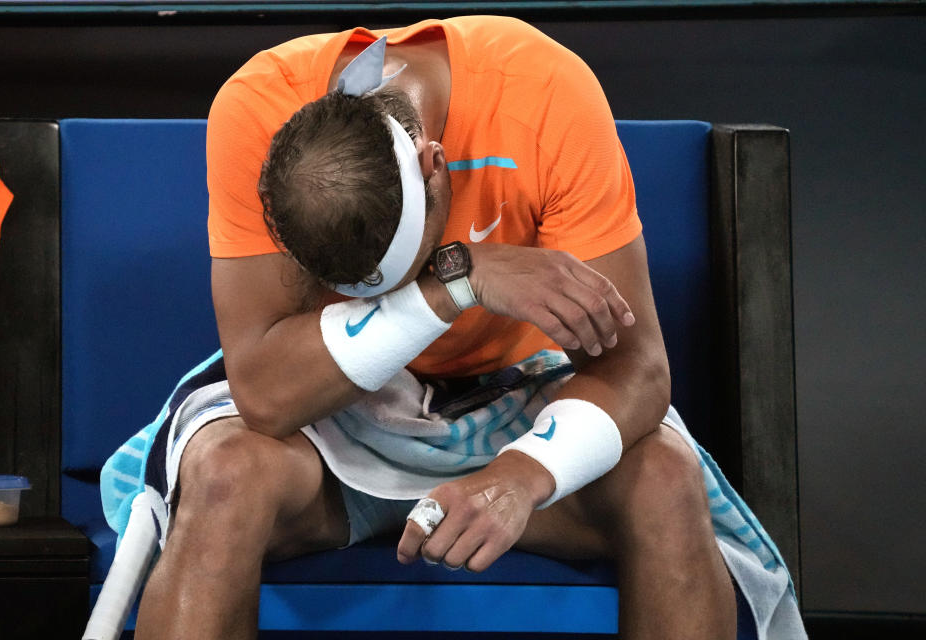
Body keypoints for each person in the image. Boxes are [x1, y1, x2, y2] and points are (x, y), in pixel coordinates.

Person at [127, 15, 801, 640]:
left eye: (397, 271)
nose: (386, 293)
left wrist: (523, 475)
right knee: (223, 477)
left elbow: (638, 368)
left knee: (666, 479)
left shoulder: (543, 90)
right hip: (330, 416)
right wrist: (454, 281)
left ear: (434, 166)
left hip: (519, 397)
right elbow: (266, 396)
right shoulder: (257, 106)